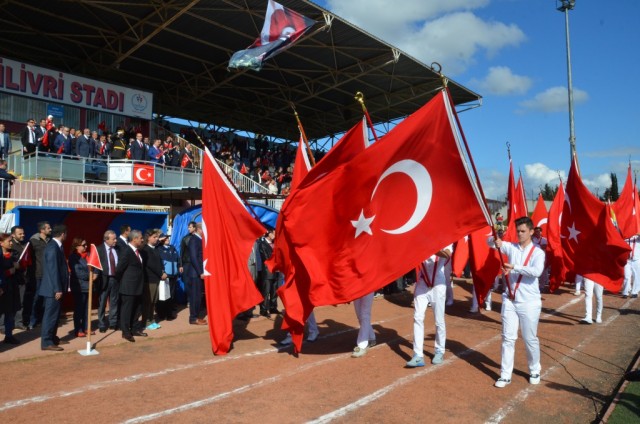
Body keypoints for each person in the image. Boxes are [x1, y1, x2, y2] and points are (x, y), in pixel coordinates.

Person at [489, 216, 545, 388]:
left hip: (529, 302)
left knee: (530, 338)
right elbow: (489, 242)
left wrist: (515, 267)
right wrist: (495, 239)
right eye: (518, 231)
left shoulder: (538, 252)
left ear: (530, 231)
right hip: (510, 300)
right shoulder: (511, 247)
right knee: (508, 338)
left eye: (523, 231)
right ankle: (505, 374)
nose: (520, 234)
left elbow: (536, 271)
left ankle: (534, 369)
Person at [406, 244, 453, 367]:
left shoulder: (446, 238)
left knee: (439, 320)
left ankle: (439, 350)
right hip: (422, 282)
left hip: (438, 284)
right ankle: (417, 355)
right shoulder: (422, 238)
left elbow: (447, 254)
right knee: (418, 317)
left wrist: (430, 248)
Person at [39, 225, 69, 351]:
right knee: (50, 315)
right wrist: (57, 289)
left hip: (56, 288)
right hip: (53, 289)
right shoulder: (52, 247)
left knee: (55, 315)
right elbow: (53, 270)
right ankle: (46, 342)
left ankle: (52, 337)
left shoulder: (56, 246)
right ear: (63, 234)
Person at [116, 229, 146, 342]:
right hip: (128, 286)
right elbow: (119, 269)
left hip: (138, 285)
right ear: (134, 239)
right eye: (140, 238)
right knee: (126, 310)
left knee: (137, 309)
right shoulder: (126, 251)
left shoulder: (138, 251)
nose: (142, 240)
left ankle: (134, 328)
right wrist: (124, 281)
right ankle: (125, 331)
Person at [140, 228, 166, 331]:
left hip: (156, 279)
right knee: (148, 302)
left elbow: (159, 262)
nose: (156, 239)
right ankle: (146, 321)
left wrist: (163, 271)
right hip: (149, 280)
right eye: (154, 237)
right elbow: (151, 265)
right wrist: (161, 273)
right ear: (148, 238)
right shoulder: (145, 249)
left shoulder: (155, 249)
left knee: (153, 301)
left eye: (157, 237)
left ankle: (151, 320)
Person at [28, 221, 51, 330]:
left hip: (48, 274)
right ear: (42, 230)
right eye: (48, 228)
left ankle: (43, 320)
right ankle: (32, 321)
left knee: (46, 298)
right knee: (36, 298)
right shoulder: (33, 241)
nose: (50, 229)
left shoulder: (50, 241)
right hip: (38, 274)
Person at [96, 230, 120, 332]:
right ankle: (101, 324)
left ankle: (113, 323)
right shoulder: (99, 249)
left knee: (114, 302)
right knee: (102, 303)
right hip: (104, 280)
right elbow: (96, 265)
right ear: (106, 239)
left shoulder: (117, 249)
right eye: (113, 239)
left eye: (116, 238)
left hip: (116, 279)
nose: (115, 240)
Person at [184, 223, 207, 325]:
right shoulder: (194, 240)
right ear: (199, 230)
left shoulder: (199, 240)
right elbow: (193, 258)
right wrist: (200, 272)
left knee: (198, 296)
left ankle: (196, 316)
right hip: (195, 274)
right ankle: (193, 318)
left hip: (197, 273)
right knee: (195, 297)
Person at [0, 233, 21, 344]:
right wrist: (9, 271)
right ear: (1, 243)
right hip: (2, 288)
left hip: (11, 287)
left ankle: (9, 335)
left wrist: (17, 266)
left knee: (10, 312)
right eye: (9, 241)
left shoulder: (13, 254)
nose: (11, 243)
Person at [68, 237, 91, 337]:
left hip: (88, 286)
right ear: (77, 246)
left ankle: (86, 327)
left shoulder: (88, 255)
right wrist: (90, 276)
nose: (86, 246)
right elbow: (77, 272)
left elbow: (95, 267)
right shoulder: (73, 257)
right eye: (84, 245)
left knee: (86, 308)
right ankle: (78, 329)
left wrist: (95, 274)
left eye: (86, 244)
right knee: (79, 309)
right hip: (79, 287)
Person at [10, 226, 29, 329]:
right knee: (9, 302)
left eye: (23, 233)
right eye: (20, 234)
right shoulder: (10, 245)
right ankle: (6, 324)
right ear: (13, 235)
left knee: (20, 301)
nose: (23, 235)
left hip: (22, 278)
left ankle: (18, 322)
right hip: (11, 278)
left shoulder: (25, 245)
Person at [157, 234, 180, 321]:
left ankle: (169, 314)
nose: (168, 239)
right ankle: (161, 314)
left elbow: (178, 258)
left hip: (173, 275)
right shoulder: (159, 248)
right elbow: (158, 262)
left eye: (168, 238)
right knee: (163, 296)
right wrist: (162, 272)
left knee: (171, 295)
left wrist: (180, 265)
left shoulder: (172, 248)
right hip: (165, 276)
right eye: (165, 238)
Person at [257, 227, 279, 317]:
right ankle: (264, 309)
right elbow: (266, 257)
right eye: (273, 232)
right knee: (266, 292)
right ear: (269, 233)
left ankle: (273, 307)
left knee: (274, 291)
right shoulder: (262, 244)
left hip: (276, 270)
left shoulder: (275, 244)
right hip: (267, 271)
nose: (274, 233)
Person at [350, 292, 376, 358]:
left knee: (365, 314)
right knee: (359, 314)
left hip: (368, 286)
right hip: (356, 287)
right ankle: (371, 337)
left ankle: (362, 345)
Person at [621, 234, 640, 298]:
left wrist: (636, 233)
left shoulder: (638, 237)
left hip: (636, 259)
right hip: (627, 260)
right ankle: (625, 292)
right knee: (626, 276)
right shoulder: (625, 236)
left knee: (636, 276)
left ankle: (635, 292)